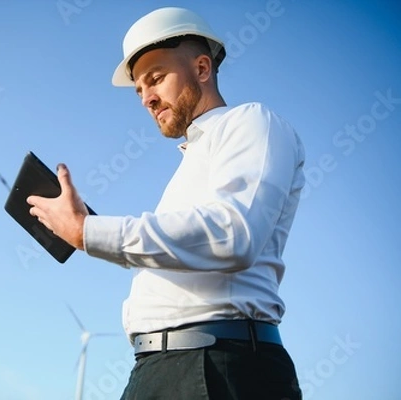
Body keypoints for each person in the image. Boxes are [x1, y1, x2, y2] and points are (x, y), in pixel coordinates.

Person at [27, 6, 305, 400]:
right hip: (160, 368)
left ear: (203, 68)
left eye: (155, 79)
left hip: (217, 366)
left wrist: (87, 231)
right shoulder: (190, 165)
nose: (146, 99)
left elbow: (233, 234)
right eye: (139, 90)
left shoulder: (251, 122)